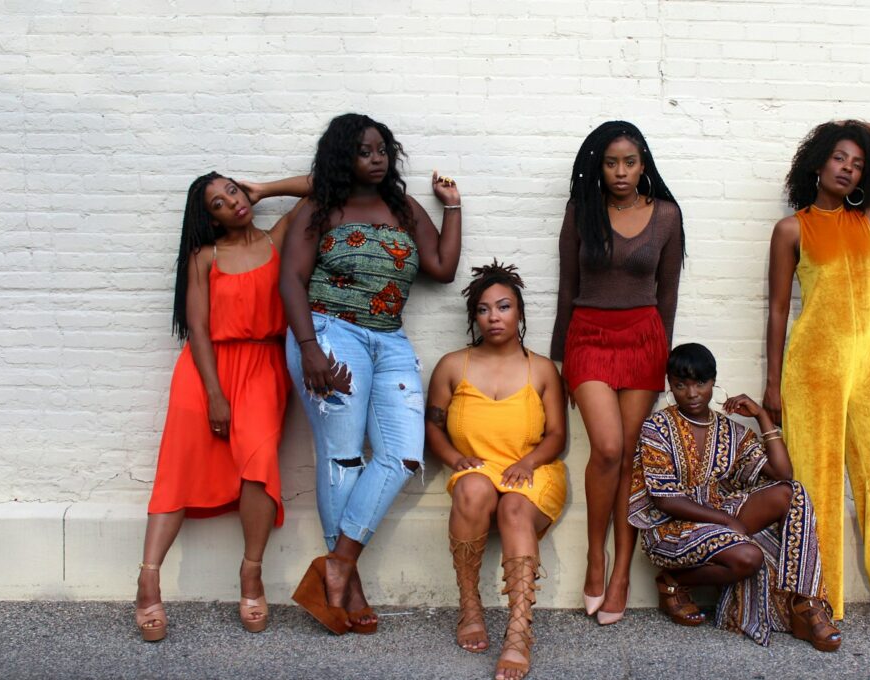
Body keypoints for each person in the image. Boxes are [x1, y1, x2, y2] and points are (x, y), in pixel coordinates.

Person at [280, 113, 461, 635]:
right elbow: (291, 280)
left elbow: (442, 268)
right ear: (344, 157)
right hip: (329, 331)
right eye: (365, 151)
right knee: (342, 453)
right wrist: (310, 348)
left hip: (389, 338)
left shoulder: (402, 207)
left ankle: (336, 566)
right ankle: (349, 587)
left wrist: (452, 208)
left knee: (403, 454)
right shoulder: (320, 208)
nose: (377, 158)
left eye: (383, 149)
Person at [763, 120, 870, 625]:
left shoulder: (867, 217)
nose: (848, 168)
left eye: (857, 164)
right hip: (814, 367)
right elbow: (775, 309)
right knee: (815, 482)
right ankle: (817, 597)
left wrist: (855, 126)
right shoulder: (793, 229)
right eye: (839, 157)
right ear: (818, 163)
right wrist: (772, 382)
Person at [136, 172, 310, 642]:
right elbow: (197, 328)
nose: (231, 203)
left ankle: (251, 574)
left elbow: (324, 184)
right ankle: (148, 577)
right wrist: (214, 393)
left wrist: (265, 190)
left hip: (262, 367)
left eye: (232, 190)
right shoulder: (204, 257)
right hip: (205, 369)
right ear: (207, 219)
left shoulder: (279, 237)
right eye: (218, 203)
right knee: (178, 468)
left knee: (258, 464)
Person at [550, 121, 683, 625]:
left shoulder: (667, 217)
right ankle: (595, 557)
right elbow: (567, 286)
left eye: (629, 162)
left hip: (643, 340)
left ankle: (622, 573)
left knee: (628, 457)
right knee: (606, 448)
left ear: (643, 164)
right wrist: (560, 359)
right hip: (588, 337)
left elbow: (666, 295)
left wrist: (664, 358)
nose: (620, 172)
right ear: (598, 166)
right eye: (611, 163)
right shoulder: (581, 213)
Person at [628, 343, 841, 651]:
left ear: (713, 382)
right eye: (681, 384)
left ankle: (805, 603)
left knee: (794, 493)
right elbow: (664, 499)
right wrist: (726, 520)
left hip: (719, 516)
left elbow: (782, 474)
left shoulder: (730, 430)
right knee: (749, 558)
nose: (691, 393)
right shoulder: (657, 427)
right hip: (670, 528)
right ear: (670, 385)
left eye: (700, 383)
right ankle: (672, 581)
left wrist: (762, 417)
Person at [426, 261, 567, 680]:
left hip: (534, 469)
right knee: (470, 489)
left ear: (519, 312)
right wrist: (455, 460)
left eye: (503, 307)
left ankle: (519, 633)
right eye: (484, 309)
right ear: (474, 317)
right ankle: (469, 607)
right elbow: (432, 427)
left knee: (514, 511)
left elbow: (557, 435)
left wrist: (528, 462)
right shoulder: (454, 365)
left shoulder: (541, 369)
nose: (494, 317)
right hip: (479, 470)